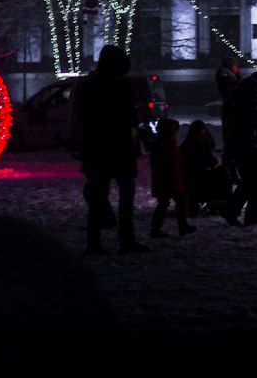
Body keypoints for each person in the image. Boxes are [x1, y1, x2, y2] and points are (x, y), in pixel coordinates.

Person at [76, 43, 149, 255]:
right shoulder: (121, 86)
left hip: (97, 147)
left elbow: (83, 116)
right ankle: (127, 240)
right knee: (126, 197)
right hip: (120, 147)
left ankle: (94, 242)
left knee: (98, 196)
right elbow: (130, 119)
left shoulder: (90, 84)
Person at [226, 68, 257, 225]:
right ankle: (247, 214)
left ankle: (236, 211)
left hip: (244, 143)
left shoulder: (244, 93)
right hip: (252, 144)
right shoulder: (254, 96)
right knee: (256, 180)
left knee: (250, 180)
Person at [149, 116, 195, 238]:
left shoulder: (169, 144)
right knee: (166, 204)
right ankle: (159, 229)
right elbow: (160, 165)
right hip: (166, 180)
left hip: (173, 179)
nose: (173, 132)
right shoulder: (162, 146)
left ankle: (180, 226)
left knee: (178, 202)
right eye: (171, 129)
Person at [179, 118, 232, 214]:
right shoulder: (193, 147)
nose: (202, 137)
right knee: (223, 173)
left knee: (223, 173)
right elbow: (210, 162)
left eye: (204, 135)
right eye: (200, 135)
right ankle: (223, 203)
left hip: (200, 179)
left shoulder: (195, 145)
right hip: (194, 183)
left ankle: (223, 203)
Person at [214, 54, 240, 178]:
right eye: (235, 66)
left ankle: (231, 171)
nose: (237, 68)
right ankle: (230, 172)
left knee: (232, 144)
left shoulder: (230, 79)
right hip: (231, 113)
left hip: (232, 113)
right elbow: (230, 96)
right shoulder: (227, 79)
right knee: (231, 144)